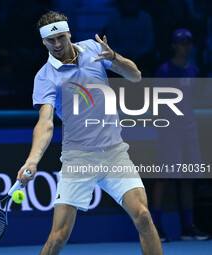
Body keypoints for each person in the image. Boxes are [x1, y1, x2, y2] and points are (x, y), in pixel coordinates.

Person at [16, 11, 163, 255]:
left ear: (68, 33)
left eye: (60, 37)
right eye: (50, 41)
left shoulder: (95, 49)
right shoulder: (44, 77)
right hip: (78, 158)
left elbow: (135, 76)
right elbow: (45, 122)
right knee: (59, 237)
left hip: (115, 153)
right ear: (43, 42)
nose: (57, 45)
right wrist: (32, 160)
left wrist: (114, 57)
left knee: (143, 216)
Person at [152, 28, 210, 242]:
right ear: (174, 46)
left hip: (190, 131)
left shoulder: (194, 70)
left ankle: (188, 227)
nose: (186, 45)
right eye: (181, 42)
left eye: (188, 42)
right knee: (163, 178)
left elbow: (192, 99)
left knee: (188, 179)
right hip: (170, 132)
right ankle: (155, 227)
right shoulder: (164, 71)